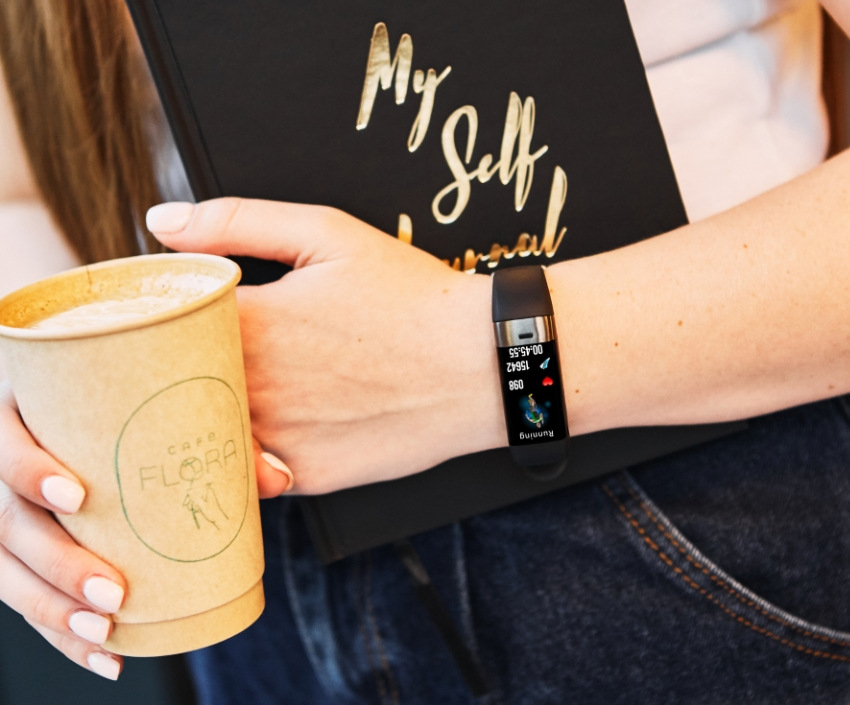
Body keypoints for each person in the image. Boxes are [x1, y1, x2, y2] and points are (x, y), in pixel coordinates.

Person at [0, 0, 849, 702]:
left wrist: (483, 363)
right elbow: (18, 181)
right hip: (250, 555)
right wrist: (36, 395)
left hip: (688, 503)